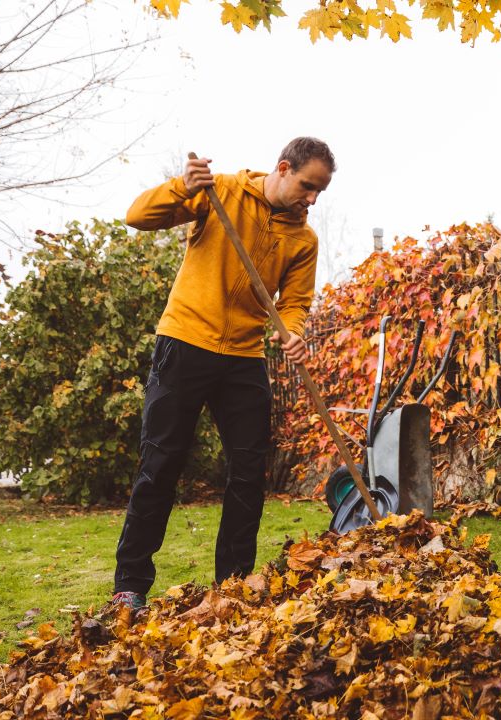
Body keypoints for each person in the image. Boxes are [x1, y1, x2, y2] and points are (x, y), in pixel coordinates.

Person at [110, 137, 334, 611]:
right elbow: (137, 217)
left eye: (320, 192)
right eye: (308, 186)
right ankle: (129, 586)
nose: (311, 199)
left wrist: (291, 331)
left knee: (250, 473)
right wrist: (180, 186)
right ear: (283, 168)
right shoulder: (221, 193)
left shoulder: (303, 240)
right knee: (160, 465)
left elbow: (295, 303)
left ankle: (232, 586)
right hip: (185, 342)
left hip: (244, 357)